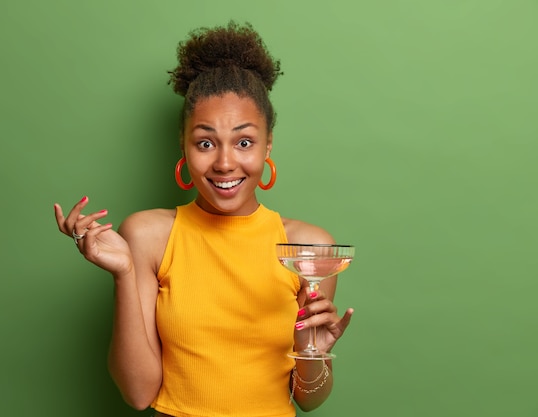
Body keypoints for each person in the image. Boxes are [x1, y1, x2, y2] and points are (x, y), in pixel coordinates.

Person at [54, 21, 354, 417]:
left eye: (244, 142)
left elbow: (308, 399)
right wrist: (125, 273)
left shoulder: (308, 250)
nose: (225, 163)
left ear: (268, 146)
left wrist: (311, 350)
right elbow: (138, 393)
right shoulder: (149, 235)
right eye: (206, 142)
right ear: (184, 145)